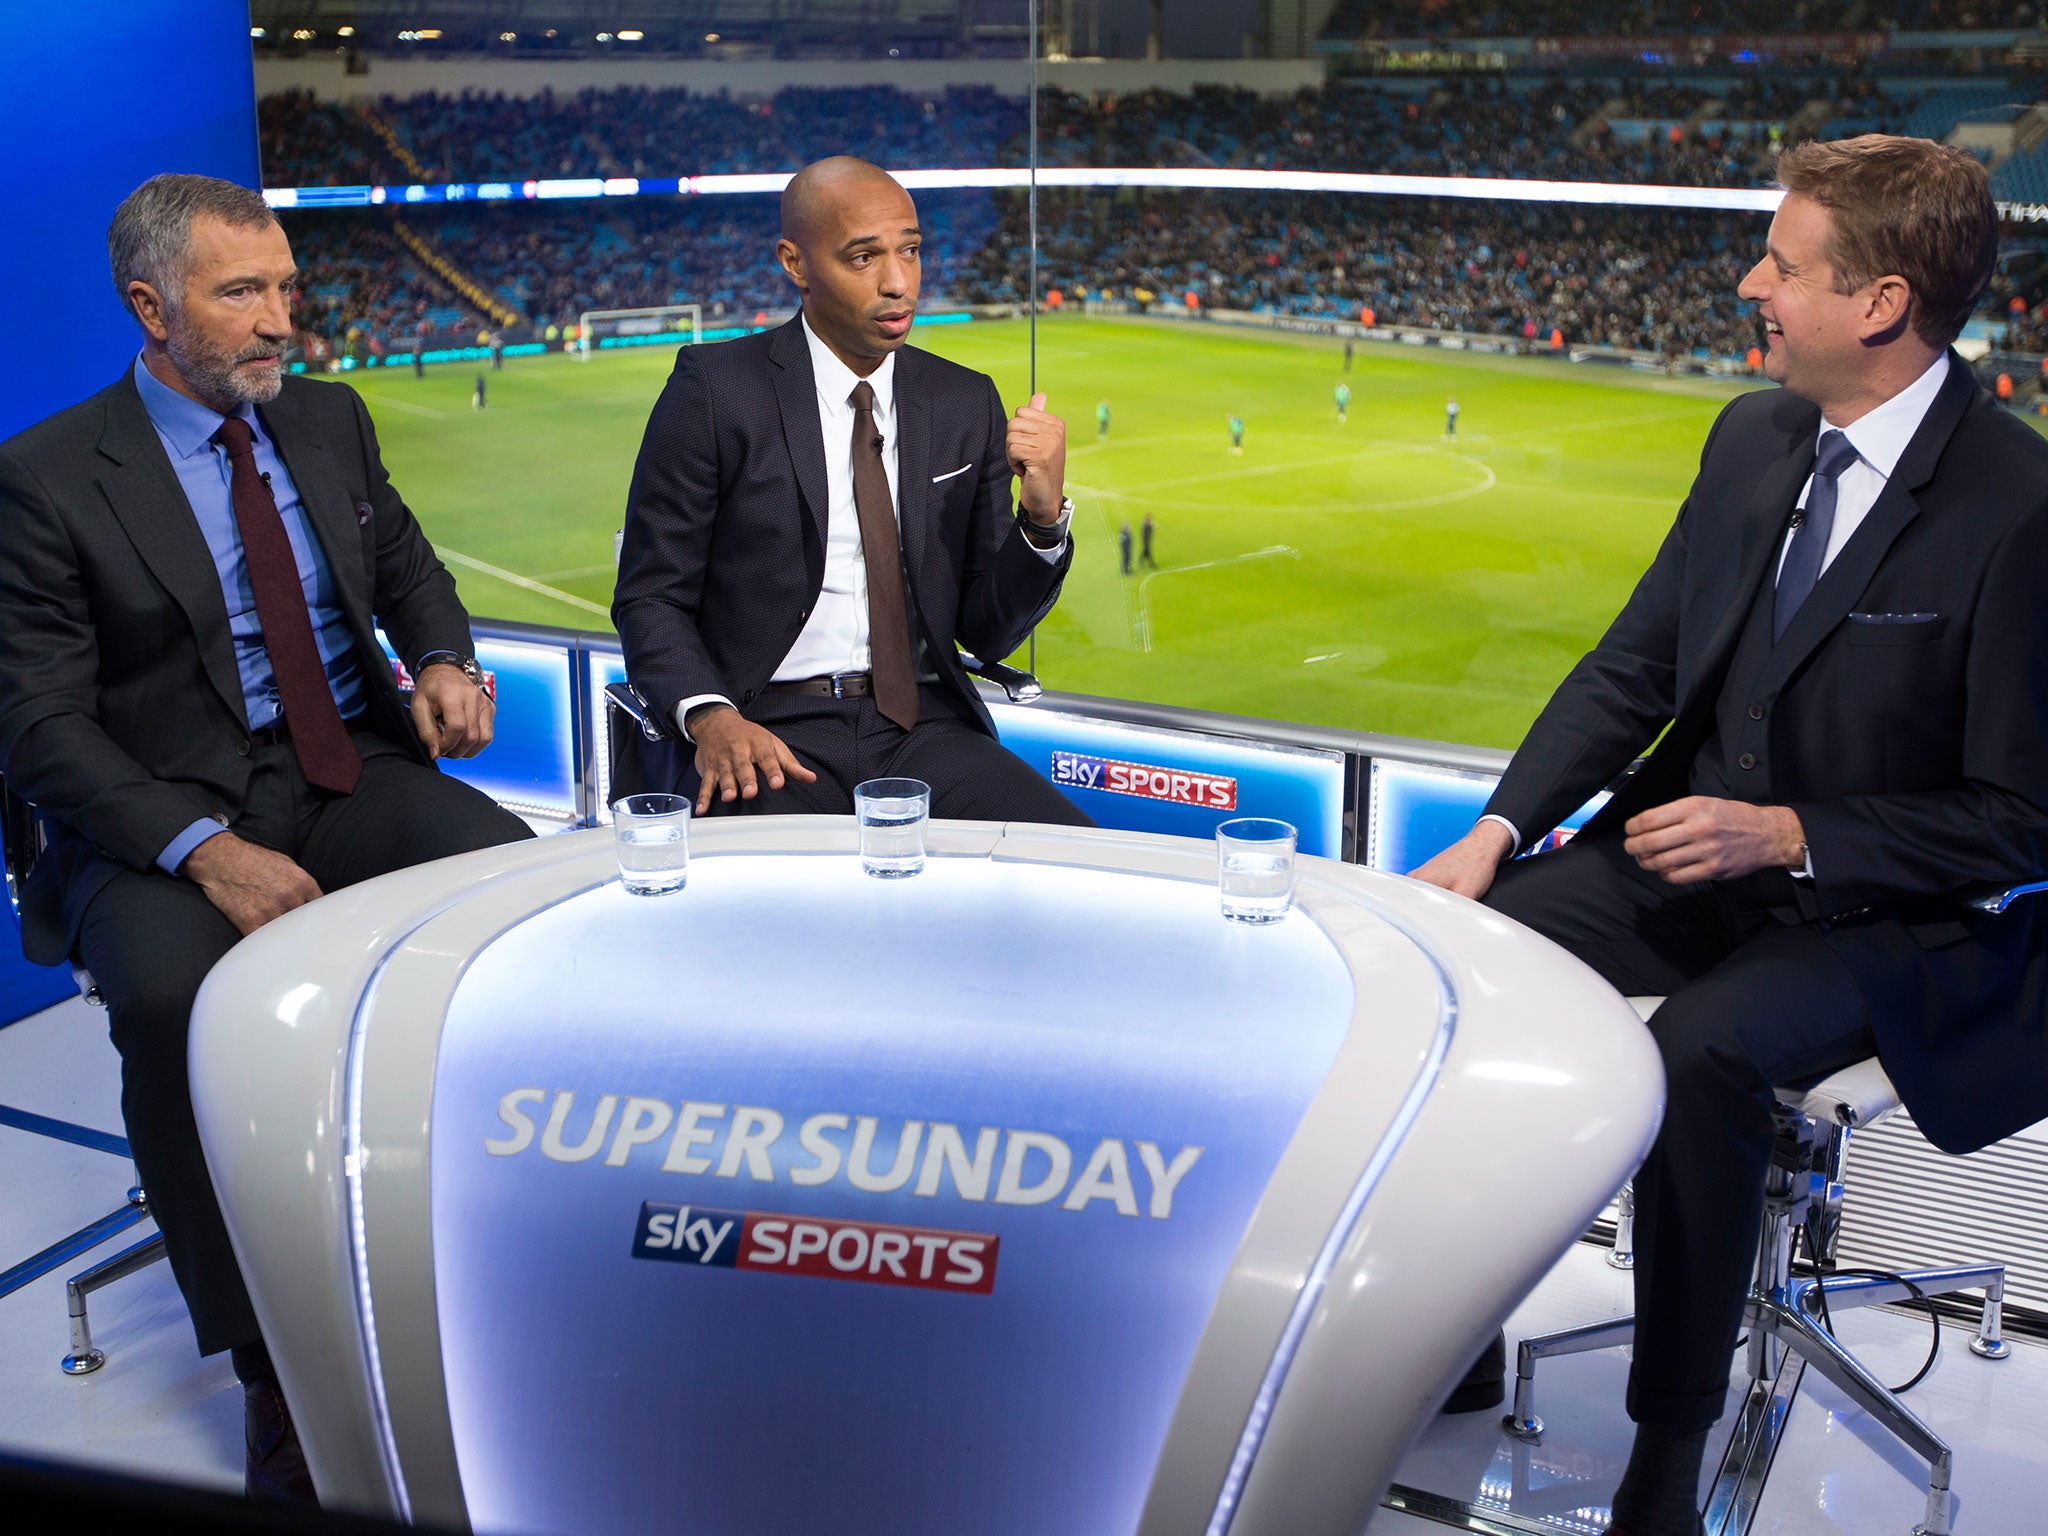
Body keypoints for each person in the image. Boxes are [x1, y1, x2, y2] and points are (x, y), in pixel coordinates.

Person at [1411, 136, 2048, 1536]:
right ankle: (1449, 1338)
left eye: (1783, 262)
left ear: (1879, 305)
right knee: (1442, 954)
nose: (1752, 282)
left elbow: (2021, 818)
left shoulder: (2019, 502)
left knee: (1696, 1050)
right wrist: (1497, 830)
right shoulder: (1751, 435)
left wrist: (1789, 833)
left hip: (1888, 916)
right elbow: (1634, 663)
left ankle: (1667, 1444)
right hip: (1693, 860)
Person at [0, 175, 532, 1502]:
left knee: (516, 895)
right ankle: (267, 1367)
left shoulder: (331, 420)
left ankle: (480, 1247)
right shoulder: (45, 481)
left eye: (288, 287)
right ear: (152, 308)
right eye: (245, 292)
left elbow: (402, 560)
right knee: (178, 1003)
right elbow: (40, 730)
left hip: (343, 766)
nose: (284, 319)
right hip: (157, 812)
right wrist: (201, 848)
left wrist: (447, 659)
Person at [613, 157, 1090, 828]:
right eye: (863, 257)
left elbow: (987, 632)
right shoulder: (716, 390)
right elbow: (650, 593)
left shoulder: (964, 400)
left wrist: (1041, 520)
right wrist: (712, 717)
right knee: (774, 922)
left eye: (911, 251)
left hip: (927, 729)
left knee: (1070, 872)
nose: (899, 283)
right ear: (795, 263)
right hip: (767, 727)